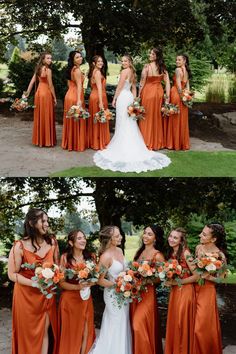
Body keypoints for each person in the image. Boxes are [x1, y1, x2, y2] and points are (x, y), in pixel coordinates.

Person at [93, 54, 171, 173]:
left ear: (130, 62)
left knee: (122, 121)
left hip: (123, 98)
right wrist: (134, 101)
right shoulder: (133, 72)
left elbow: (119, 87)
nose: (123, 63)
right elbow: (134, 88)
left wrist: (114, 99)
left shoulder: (125, 72)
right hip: (129, 97)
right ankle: (133, 144)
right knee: (129, 121)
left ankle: (123, 145)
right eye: (122, 61)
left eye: (125, 61)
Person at [8, 208, 59, 354]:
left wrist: (55, 275)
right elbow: (12, 274)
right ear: (31, 223)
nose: (46, 224)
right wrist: (35, 283)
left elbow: (58, 267)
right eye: (43, 221)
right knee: (27, 334)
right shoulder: (19, 246)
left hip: (46, 296)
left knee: (44, 332)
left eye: (47, 221)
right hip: (25, 297)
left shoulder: (52, 243)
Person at [89, 226, 132, 354]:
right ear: (109, 238)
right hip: (113, 295)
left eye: (120, 235)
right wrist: (117, 285)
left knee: (123, 322)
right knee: (115, 323)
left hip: (124, 293)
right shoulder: (105, 257)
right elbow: (99, 280)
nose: (121, 237)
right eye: (117, 236)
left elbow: (124, 269)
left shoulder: (119, 250)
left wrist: (127, 281)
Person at [58, 229, 95, 354]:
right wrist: (77, 287)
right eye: (79, 238)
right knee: (71, 333)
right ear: (71, 242)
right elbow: (61, 283)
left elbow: (96, 278)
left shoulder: (91, 258)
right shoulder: (64, 258)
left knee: (86, 330)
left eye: (84, 237)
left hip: (85, 299)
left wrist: (91, 283)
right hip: (70, 300)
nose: (83, 240)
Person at [193, 223, 227, 354]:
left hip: (207, 292)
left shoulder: (220, 256)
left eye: (204, 234)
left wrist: (208, 277)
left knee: (200, 328)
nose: (200, 235)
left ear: (213, 239)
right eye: (202, 232)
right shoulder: (198, 248)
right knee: (193, 326)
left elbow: (222, 279)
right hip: (194, 289)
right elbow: (195, 269)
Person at [130, 225, 165, 354]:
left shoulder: (158, 255)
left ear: (156, 238)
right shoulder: (139, 252)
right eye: (145, 233)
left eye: (150, 234)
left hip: (147, 295)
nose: (145, 236)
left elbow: (161, 278)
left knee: (138, 325)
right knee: (138, 328)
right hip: (135, 294)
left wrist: (146, 280)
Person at [164, 228, 198, 354]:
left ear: (181, 240)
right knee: (175, 323)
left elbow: (197, 276)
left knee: (181, 323)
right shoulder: (172, 253)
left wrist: (177, 282)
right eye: (170, 236)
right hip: (175, 292)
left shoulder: (186, 253)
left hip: (185, 292)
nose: (171, 239)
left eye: (175, 238)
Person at [139, 47, 170, 150]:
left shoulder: (147, 67)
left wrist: (138, 96)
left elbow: (142, 83)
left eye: (152, 54)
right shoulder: (163, 68)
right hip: (159, 93)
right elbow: (168, 83)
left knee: (146, 116)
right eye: (150, 53)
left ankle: (146, 141)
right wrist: (167, 97)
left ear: (157, 56)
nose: (150, 55)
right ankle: (157, 142)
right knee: (156, 116)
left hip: (148, 92)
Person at [25, 52, 57, 147]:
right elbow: (51, 86)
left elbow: (31, 82)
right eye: (48, 58)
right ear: (43, 60)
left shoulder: (38, 69)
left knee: (40, 115)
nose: (50, 60)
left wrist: (26, 94)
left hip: (38, 93)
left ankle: (40, 140)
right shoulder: (48, 70)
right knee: (46, 115)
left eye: (51, 58)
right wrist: (54, 97)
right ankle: (46, 140)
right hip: (46, 93)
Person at [61, 51, 87, 151]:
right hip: (76, 96)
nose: (80, 58)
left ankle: (70, 143)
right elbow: (80, 86)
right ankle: (76, 144)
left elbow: (69, 84)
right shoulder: (77, 70)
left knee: (71, 120)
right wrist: (79, 99)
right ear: (73, 60)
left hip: (69, 95)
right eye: (77, 57)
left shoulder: (71, 69)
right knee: (77, 120)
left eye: (80, 56)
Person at [166, 54, 192, 150]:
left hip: (177, 94)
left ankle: (173, 143)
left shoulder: (177, 70)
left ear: (184, 61)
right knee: (182, 118)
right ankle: (182, 143)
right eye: (176, 59)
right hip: (184, 96)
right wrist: (188, 96)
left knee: (175, 118)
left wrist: (181, 95)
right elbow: (187, 84)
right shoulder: (186, 71)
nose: (177, 61)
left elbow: (178, 84)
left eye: (179, 60)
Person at [87, 55, 110, 150]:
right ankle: (98, 142)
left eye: (101, 61)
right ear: (94, 63)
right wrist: (101, 102)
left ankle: (96, 140)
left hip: (95, 95)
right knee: (100, 118)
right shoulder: (97, 73)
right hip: (98, 97)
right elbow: (100, 88)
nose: (101, 63)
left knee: (98, 119)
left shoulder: (95, 71)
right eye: (98, 61)